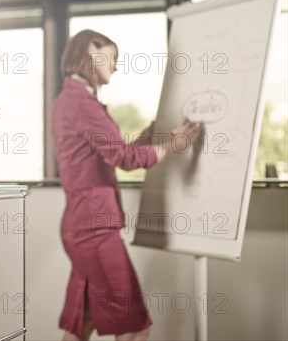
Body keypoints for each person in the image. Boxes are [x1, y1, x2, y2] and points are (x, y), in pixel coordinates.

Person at [51, 29, 202, 341]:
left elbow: (110, 152)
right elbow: (124, 158)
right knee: (135, 325)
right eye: (113, 56)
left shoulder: (72, 100)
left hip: (81, 227)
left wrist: (151, 133)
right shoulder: (82, 103)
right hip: (94, 230)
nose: (117, 66)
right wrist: (173, 147)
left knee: (84, 321)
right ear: (92, 49)